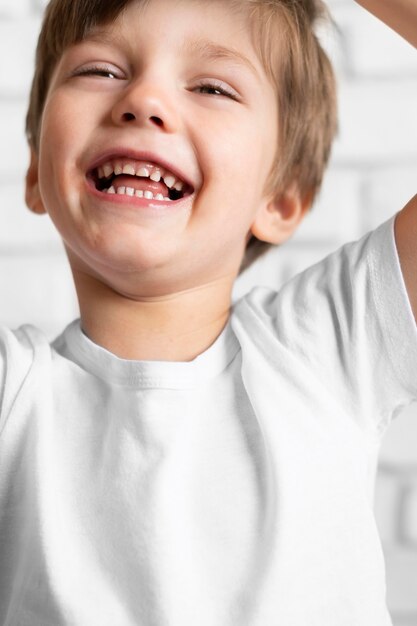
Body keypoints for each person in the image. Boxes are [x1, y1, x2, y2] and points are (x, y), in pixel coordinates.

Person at [0, 0, 416, 624]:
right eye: (100, 71)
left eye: (212, 87)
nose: (143, 100)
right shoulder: (15, 397)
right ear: (36, 171)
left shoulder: (334, 345)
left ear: (281, 197)